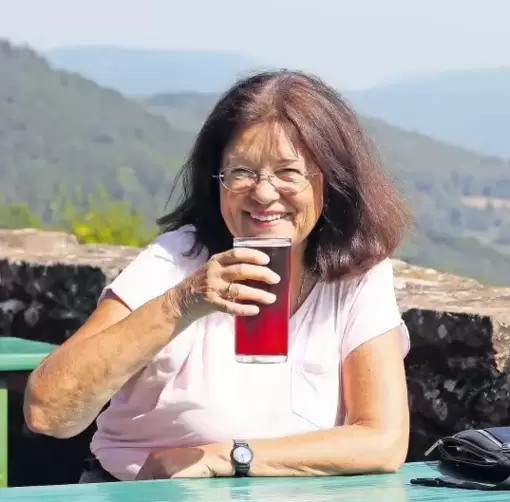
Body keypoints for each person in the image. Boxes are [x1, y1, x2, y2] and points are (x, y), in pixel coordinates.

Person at [22, 69, 412, 482]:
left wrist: (227, 457)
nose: (263, 194)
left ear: (330, 181)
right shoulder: (178, 259)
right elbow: (48, 411)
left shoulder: (356, 276)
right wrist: (182, 302)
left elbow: (383, 441)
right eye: (241, 172)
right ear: (217, 181)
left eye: (288, 172)